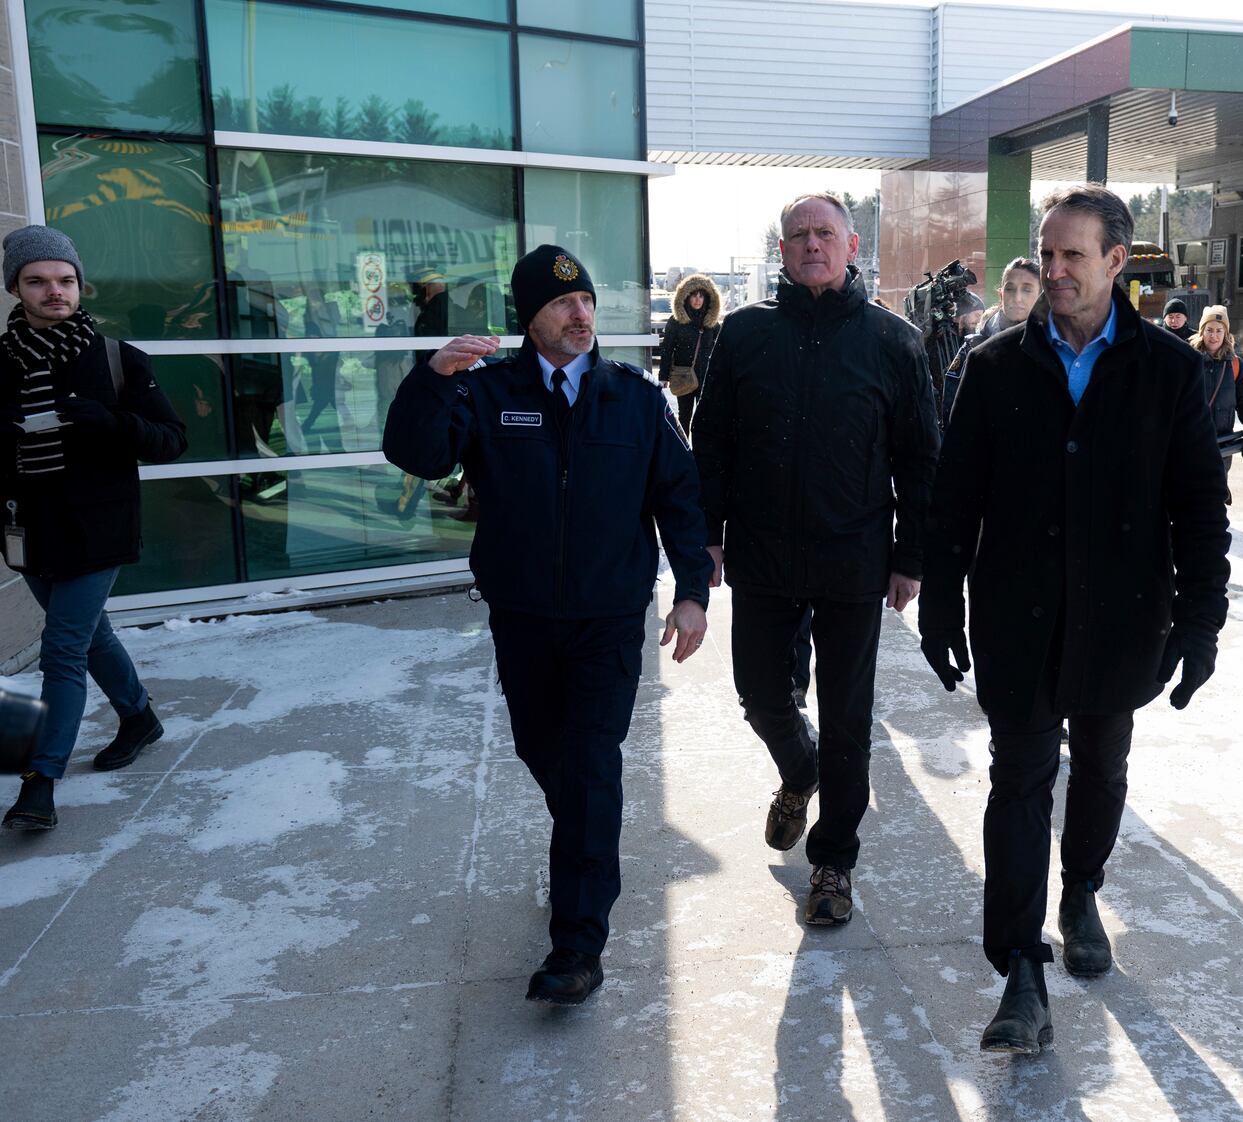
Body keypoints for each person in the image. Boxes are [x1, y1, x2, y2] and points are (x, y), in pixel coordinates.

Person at [919, 184, 1231, 1054]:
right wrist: (943, 599)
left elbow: (1200, 508)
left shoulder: (1170, 372)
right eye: (1046, 255)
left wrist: (1203, 622)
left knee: (1100, 764)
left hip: (1126, 617)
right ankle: (1020, 969)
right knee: (1018, 780)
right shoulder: (991, 368)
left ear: (1116, 262)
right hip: (1017, 617)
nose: (1053, 270)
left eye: (1072, 256)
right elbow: (955, 501)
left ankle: (1082, 885)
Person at [383, 244, 712, 1006]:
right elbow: (418, 453)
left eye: (588, 301)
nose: (581, 314)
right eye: (563, 304)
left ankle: (577, 943)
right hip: (523, 615)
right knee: (545, 749)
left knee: (593, 762)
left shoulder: (631, 397)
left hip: (606, 618)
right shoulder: (489, 393)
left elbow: (679, 497)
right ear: (530, 318)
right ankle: (585, 841)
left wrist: (691, 590)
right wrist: (432, 380)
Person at [693, 192, 939, 926]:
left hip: (853, 557)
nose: (811, 245)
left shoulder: (892, 341)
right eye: (797, 234)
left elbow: (921, 460)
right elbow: (711, 446)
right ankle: (799, 771)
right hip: (762, 553)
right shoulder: (741, 335)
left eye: (824, 233)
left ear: (851, 245)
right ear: (781, 248)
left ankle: (833, 861)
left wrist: (910, 557)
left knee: (848, 718)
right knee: (762, 695)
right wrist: (706, 535)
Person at [1, 225, 188, 831]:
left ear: (81, 285)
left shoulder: (117, 360)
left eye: (65, 280)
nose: (54, 291)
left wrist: (110, 422)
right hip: (29, 530)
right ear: (16, 288)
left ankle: (39, 780)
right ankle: (138, 717)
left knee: (61, 649)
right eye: (38, 281)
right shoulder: (0, 364)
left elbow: (171, 442)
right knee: (91, 636)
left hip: (99, 528)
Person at [941, 259, 1041, 426]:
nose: (1017, 298)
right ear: (1001, 295)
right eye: (1010, 289)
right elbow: (953, 417)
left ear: (1040, 296)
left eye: (1027, 289)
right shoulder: (975, 347)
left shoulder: (1056, 348)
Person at [1189, 304, 1243, 501]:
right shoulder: (1188, 361)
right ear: (1202, 332)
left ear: (1226, 333)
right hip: (1188, 446)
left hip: (1222, 448)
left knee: (1214, 500)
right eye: (1209, 330)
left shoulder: (1235, 365)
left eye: (1219, 331)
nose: (1214, 336)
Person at [656, 272, 722, 434]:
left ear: (707, 298)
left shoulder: (712, 322)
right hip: (683, 375)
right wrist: (664, 376)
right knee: (684, 415)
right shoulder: (676, 320)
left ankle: (702, 451)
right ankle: (684, 450)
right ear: (686, 297)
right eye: (694, 296)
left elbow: (721, 349)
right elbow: (667, 348)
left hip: (706, 377)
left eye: (701, 296)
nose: (698, 300)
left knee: (704, 415)